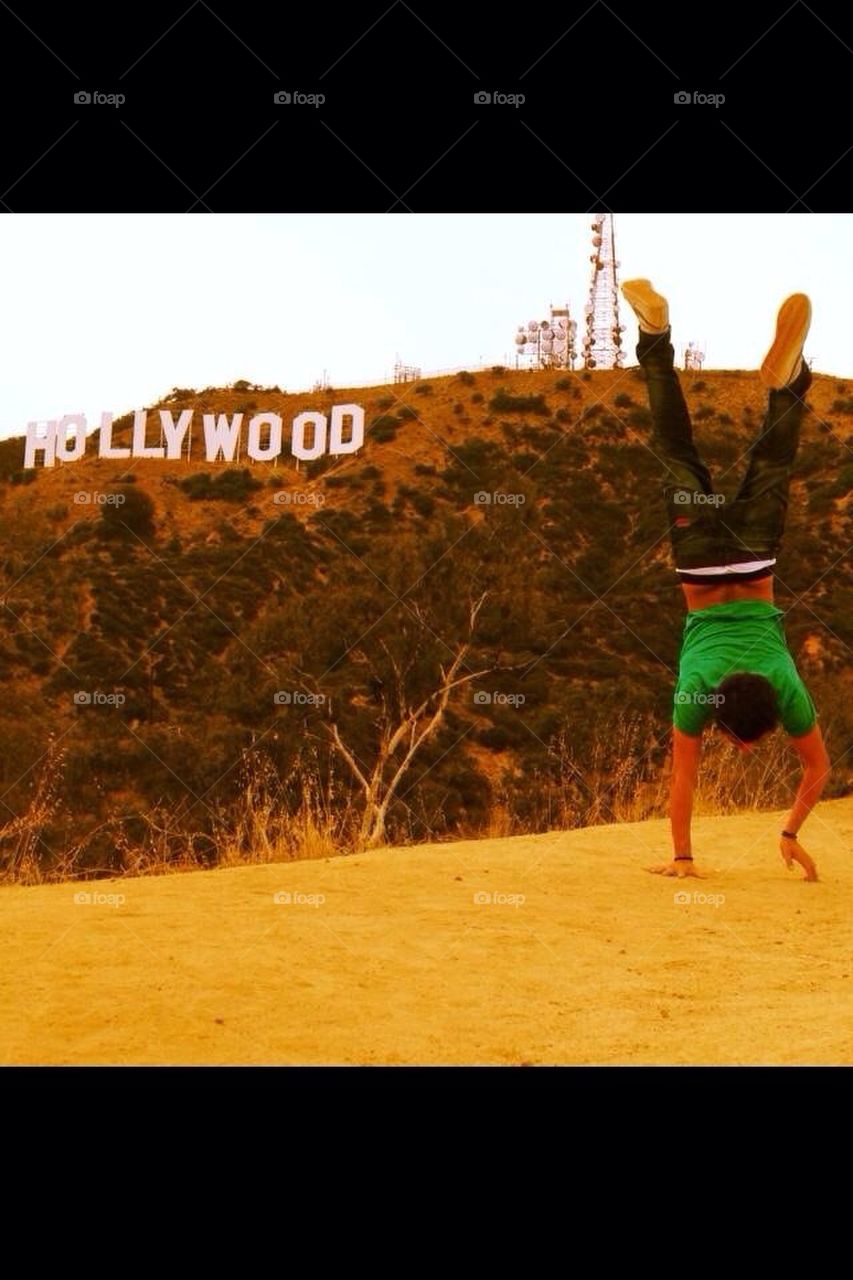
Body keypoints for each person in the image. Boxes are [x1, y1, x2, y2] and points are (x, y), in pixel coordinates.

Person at [621, 280, 831, 882]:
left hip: (757, 556)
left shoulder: (786, 689)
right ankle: (655, 334)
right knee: (674, 447)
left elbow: (817, 770)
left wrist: (793, 828)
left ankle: (789, 385)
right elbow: (682, 774)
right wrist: (683, 858)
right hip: (697, 557)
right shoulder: (697, 694)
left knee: (773, 462)